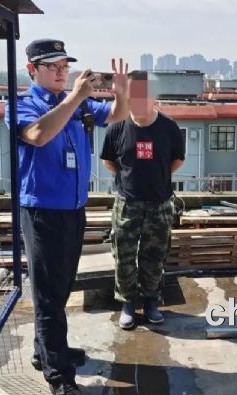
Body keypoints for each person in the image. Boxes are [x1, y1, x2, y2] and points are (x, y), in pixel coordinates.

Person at [4, 38, 129, 395]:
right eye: (52, 66)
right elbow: (38, 136)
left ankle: (45, 351)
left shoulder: (77, 102)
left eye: (64, 66)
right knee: (48, 297)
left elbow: (117, 115)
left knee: (59, 289)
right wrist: (74, 97)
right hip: (43, 212)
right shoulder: (21, 104)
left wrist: (122, 92)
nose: (61, 72)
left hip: (73, 209)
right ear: (32, 70)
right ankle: (60, 377)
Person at [99, 70, 185, 329]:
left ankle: (151, 301)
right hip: (127, 204)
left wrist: (155, 177)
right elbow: (109, 162)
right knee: (124, 255)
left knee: (154, 255)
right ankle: (127, 302)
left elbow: (176, 160)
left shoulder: (169, 128)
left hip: (160, 203)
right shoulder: (117, 126)